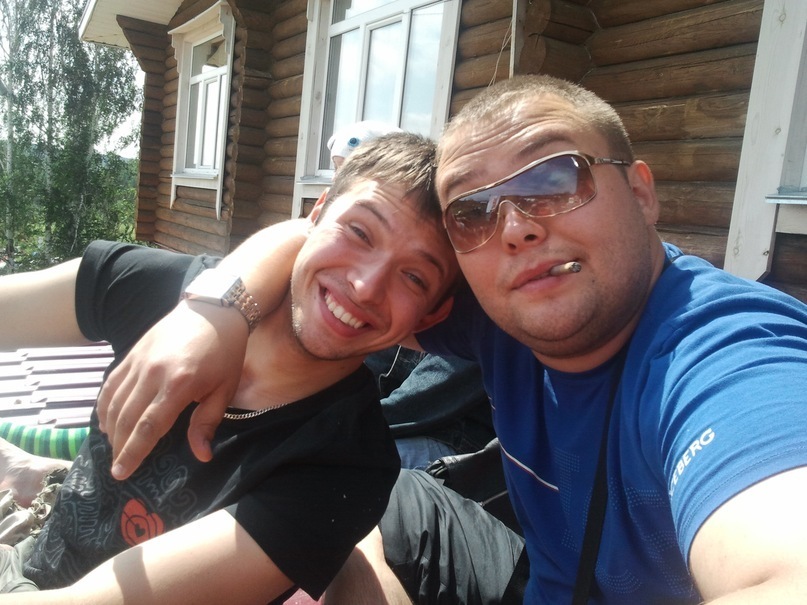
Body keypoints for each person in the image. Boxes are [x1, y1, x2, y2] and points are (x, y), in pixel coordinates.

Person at [90, 74, 807, 603]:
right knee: (385, 503)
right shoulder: (506, 302)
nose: (515, 227)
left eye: (554, 179)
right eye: (472, 212)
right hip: (539, 577)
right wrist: (216, 307)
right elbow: (336, 248)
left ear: (642, 192)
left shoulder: (722, 352)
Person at [0, 132, 460, 604]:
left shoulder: (347, 467)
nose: (365, 286)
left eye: (413, 276)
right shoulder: (156, 287)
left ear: (430, 316)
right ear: (316, 214)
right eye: (359, 232)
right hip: (28, 550)